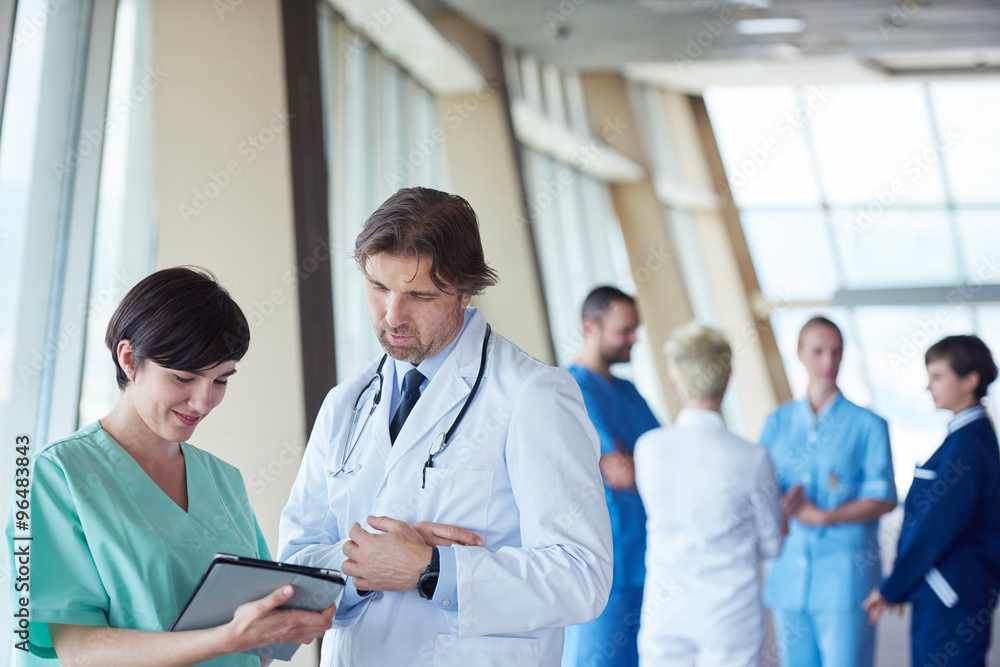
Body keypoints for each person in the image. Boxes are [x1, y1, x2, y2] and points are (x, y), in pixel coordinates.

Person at [278, 187, 613, 667]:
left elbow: (583, 577)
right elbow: (294, 562)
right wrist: (366, 570)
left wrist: (432, 570)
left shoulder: (533, 395)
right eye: (378, 288)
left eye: (419, 295)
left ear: (465, 290)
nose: (392, 316)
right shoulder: (345, 404)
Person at [5, 267, 335, 666]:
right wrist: (225, 639)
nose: (203, 402)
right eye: (184, 378)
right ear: (128, 359)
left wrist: (281, 628)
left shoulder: (222, 480)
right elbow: (79, 650)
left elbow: (258, 639)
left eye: (221, 381)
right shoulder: (58, 475)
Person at [634, 321, 783, 667]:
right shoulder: (752, 457)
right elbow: (772, 544)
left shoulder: (648, 448)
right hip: (729, 617)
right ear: (727, 379)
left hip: (664, 613)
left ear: (674, 384)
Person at [759, 316, 896, 667]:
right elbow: (760, 487)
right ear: (800, 354)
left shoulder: (869, 425)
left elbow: (884, 496)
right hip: (789, 578)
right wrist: (781, 504)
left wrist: (826, 516)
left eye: (836, 352)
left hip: (845, 581)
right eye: (818, 352)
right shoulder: (777, 422)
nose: (828, 362)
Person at [863, 335, 1000, 667]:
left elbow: (934, 528)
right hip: (943, 596)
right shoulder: (963, 438)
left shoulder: (968, 446)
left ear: (970, 380)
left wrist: (892, 586)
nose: (928, 387)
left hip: (951, 600)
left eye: (938, 376)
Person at [562, 286, 659, 667]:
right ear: (591, 327)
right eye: (625, 331)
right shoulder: (571, 389)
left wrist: (632, 461)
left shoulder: (630, 392)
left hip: (643, 554)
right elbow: (619, 471)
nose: (634, 339)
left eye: (636, 330)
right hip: (607, 560)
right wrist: (629, 460)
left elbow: (667, 461)